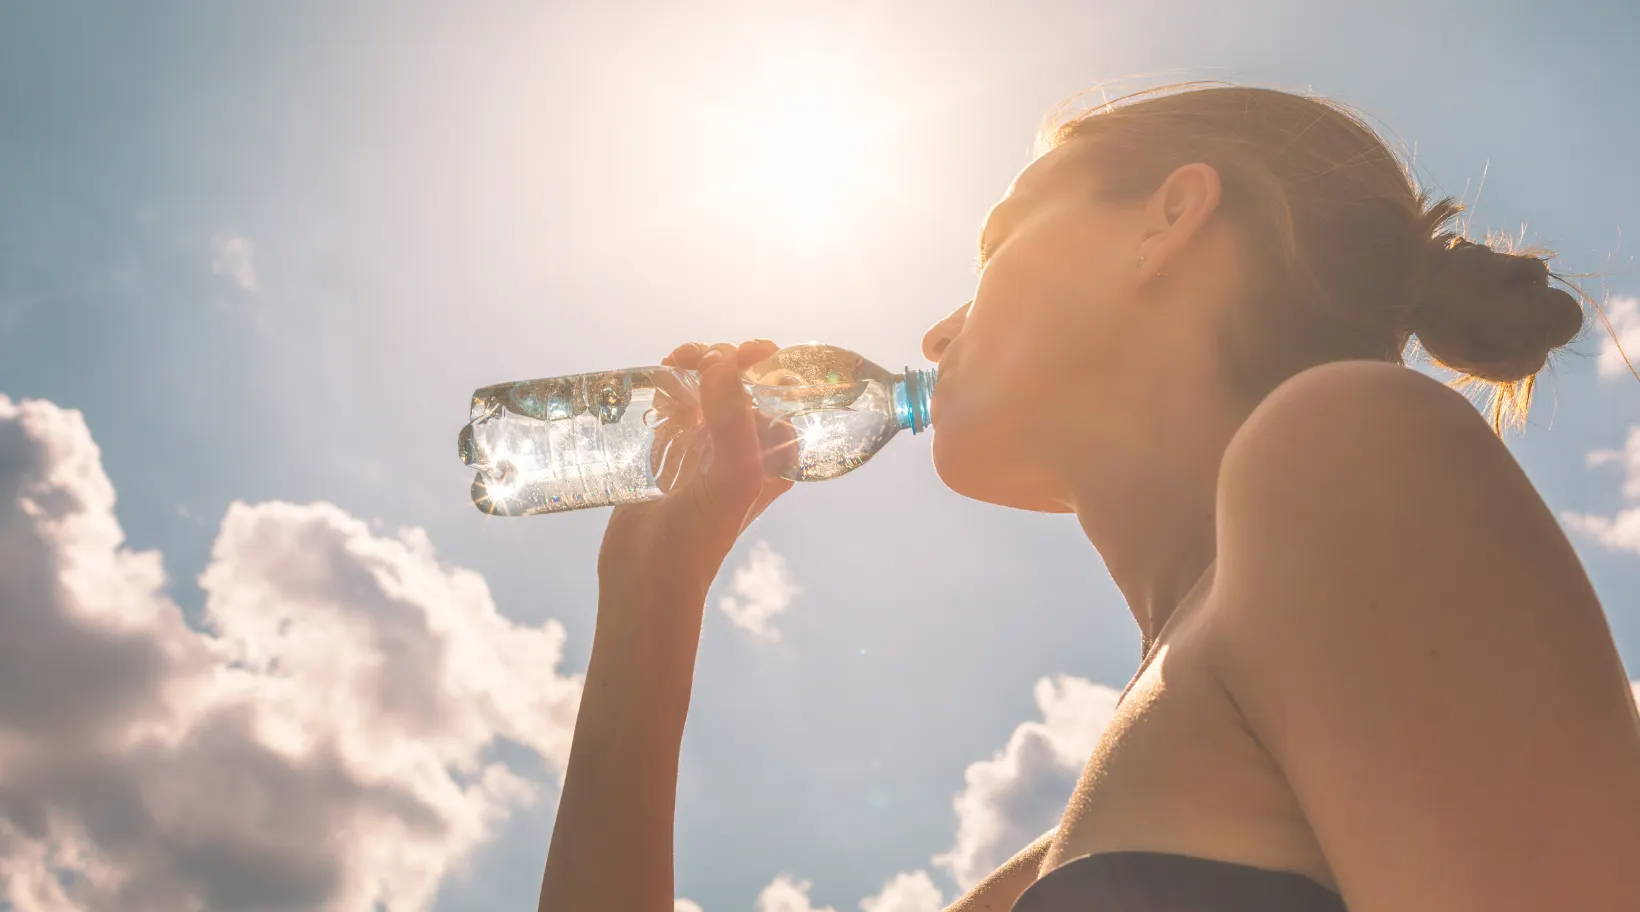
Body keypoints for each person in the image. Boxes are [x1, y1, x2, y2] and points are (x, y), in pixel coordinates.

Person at [537, 83, 1640, 911]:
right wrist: (650, 597)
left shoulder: (1350, 448)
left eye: (996, 236)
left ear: (1167, 221)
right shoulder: (1045, 866)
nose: (931, 334)